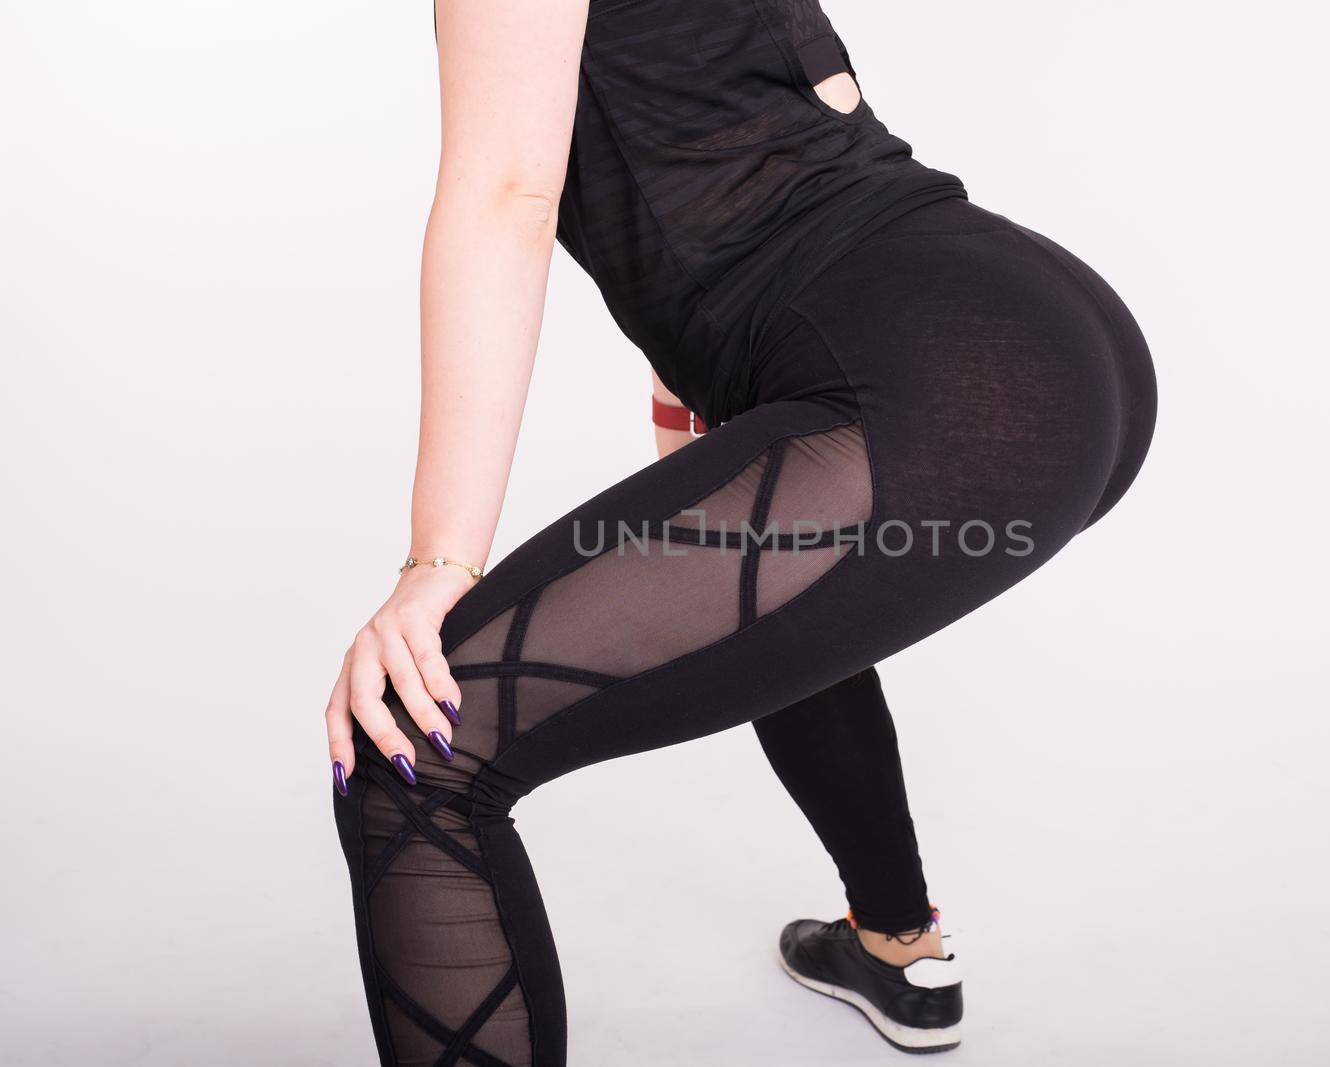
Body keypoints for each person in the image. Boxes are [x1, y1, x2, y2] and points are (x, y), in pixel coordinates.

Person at [326, 1, 1156, 1063]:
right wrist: (703, 399)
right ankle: (896, 946)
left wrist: (439, 560)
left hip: (954, 380)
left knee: (416, 746)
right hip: (1036, 331)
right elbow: (766, 122)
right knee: (779, 601)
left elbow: (506, 194)